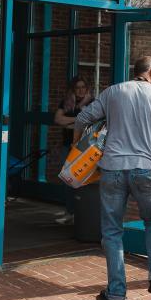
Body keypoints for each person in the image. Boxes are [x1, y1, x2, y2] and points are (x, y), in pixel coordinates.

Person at [73, 55, 151, 300]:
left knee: (111, 230)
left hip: (113, 170)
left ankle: (116, 292)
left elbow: (82, 119)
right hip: (145, 170)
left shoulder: (113, 92)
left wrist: (77, 148)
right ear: (150, 73)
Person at [52, 76, 95, 225]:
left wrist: (69, 121)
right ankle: (69, 212)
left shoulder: (92, 103)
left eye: (83, 87)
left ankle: (80, 214)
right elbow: (58, 119)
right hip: (67, 146)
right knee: (67, 180)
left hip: (83, 149)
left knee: (82, 181)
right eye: (78, 87)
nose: (81, 90)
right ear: (73, 89)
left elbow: (89, 124)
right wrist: (77, 119)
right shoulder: (67, 102)